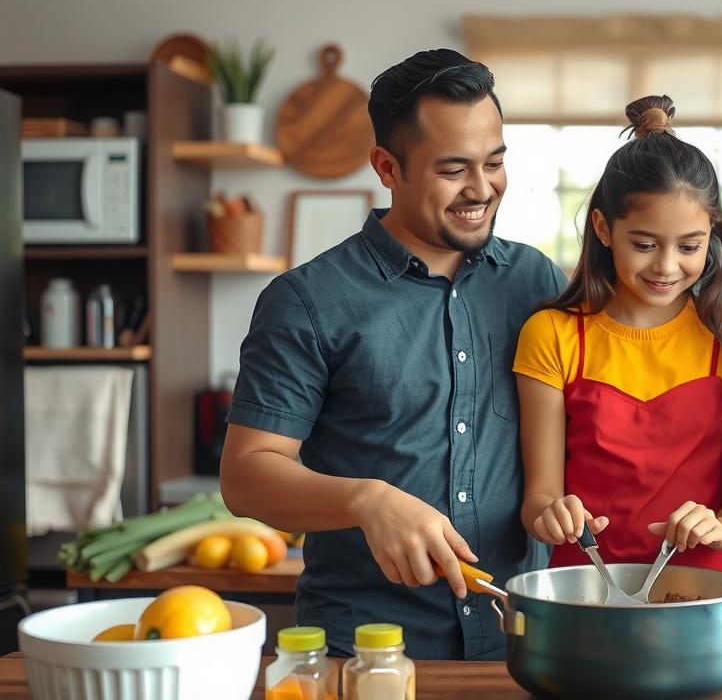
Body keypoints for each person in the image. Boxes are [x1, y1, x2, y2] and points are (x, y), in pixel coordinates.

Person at [219, 49, 565, 659]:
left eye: (494, 162)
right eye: (453, 169)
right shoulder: (306, 300)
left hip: (521, 644)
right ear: (387, 167)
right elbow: (246, 475)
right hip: (368, 648)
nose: (481, 189)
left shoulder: (536, 282)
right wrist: (365, 499)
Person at [513, 96, 722, 572]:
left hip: (701, 585)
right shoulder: (551, 334)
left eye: (689, 246)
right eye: (645, 244)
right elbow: (539, 498)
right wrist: (551, 516)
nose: (667, 267)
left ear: (711, 234)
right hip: (584, 583)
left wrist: (720, 528)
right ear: (603, 228)